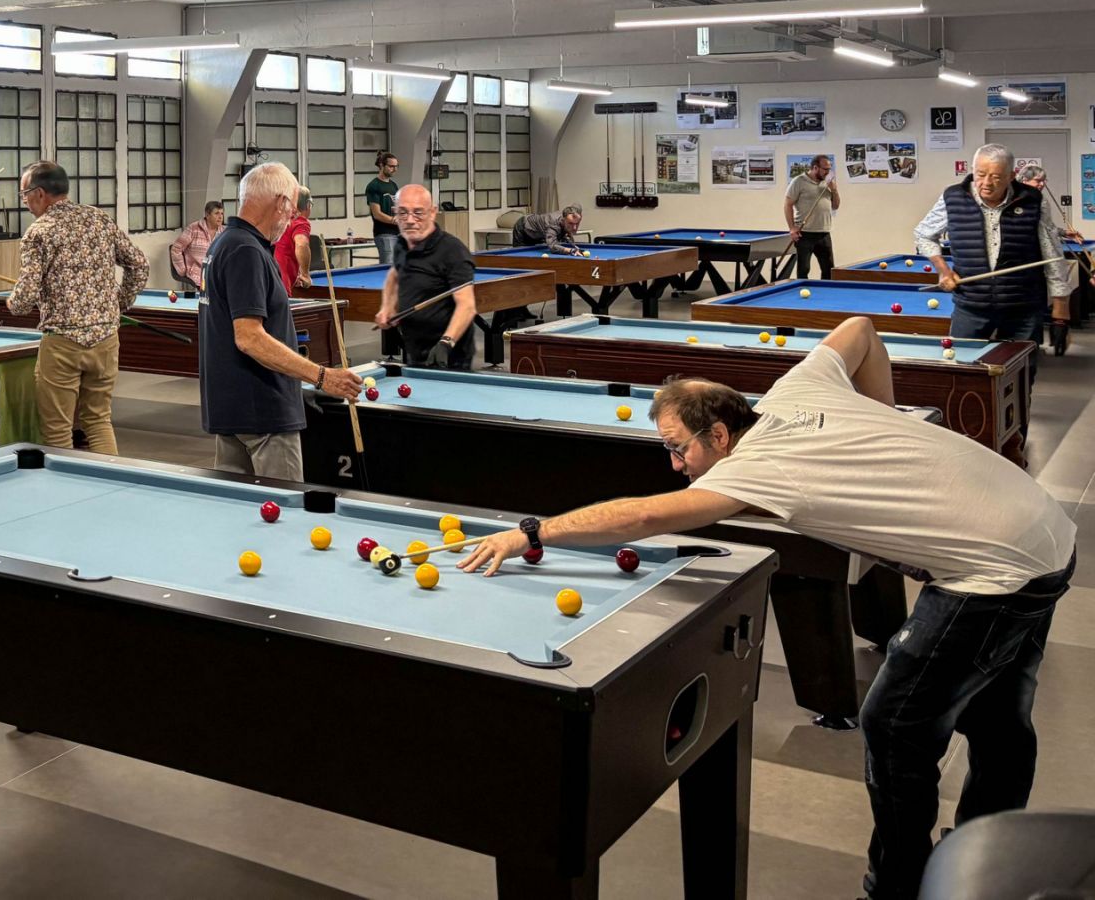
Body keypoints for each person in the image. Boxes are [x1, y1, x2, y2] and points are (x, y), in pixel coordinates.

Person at [457, 315, 1076, 900]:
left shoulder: (751, 470)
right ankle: (989, 854)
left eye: (677, 448)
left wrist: (530, 533)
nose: (674, 464)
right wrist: (883, 426)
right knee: (999, 721)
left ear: (719, 435)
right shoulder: (795, 388)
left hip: (996, 575)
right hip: (1042, 527)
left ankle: (900, 885)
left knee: (894, 725)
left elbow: (642, 517)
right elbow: (861, 332)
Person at [199, 161, 364, 480]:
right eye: (292, 209)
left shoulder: (224, 242)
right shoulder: (246, 250)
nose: (292, 218)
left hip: (232, 407)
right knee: (284, 505)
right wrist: (321, 376)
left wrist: (296, 385)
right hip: (264, 415)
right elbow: (249, 338)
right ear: (281, 202)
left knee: (239, 505)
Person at [4, 160, 147, 455]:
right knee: (98, 421)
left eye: (24, 195)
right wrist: (118, 304)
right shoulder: (98, 219)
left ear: (39, 193)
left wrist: (12, 300)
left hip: (62, 343)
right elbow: (139, 265)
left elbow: (23, 300)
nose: (25, 202)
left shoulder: (39, 232)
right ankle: (110, 481)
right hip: (105, 339)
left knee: (57, 430)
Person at [913, 145, 1070, 346]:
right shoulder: (953, 197)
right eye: (980, 174)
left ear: (1011, 176)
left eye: (996, 177)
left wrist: (1060, 309)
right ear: (973, 170)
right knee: (965, 363)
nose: (986, 183)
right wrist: (943, 270)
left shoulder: (1033, 200)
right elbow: (923, 234)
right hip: (971, 306)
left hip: (1023, 307)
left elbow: (1052, 252)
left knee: (1022, 365)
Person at [375, 183, 478, 369]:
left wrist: (446, 342)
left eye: (418, 213)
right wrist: (387, 307)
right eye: (403, 213)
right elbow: (394, 275)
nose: (410, 220)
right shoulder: (402, 244)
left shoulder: (453, 250)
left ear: (432, 212)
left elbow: (467, 306)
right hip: (414, 349)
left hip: (450, 355)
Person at [785, 154, 841, 279]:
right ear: (815, 167)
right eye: (825, 169)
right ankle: (802, 290)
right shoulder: (799, 181)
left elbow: (835, 206)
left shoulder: (828, 183)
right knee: (804, 269)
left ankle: (826, 291)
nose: (828, 172)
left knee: (829, 269)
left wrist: (834, 190)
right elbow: (787, 205)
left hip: (824, 233)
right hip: (805, 233)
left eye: (829, 169)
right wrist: (792, 228)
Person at [167, 200, 224, 291]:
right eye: (216, 213)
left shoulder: (224, 232)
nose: (220, 217)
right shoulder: (193, 228)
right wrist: (182, 270)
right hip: (198, 273)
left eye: (222, 213)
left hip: (217, 274)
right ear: (207, 215)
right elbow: (176, 248)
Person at [274, 188, 315, 293]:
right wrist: (305, 275)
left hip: (266, 276)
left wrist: (294, 275)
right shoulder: (300, 222)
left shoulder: (278, 219)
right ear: (308, 205)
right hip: (281, 283)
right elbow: (301, 244)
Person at [364, 152, 402, 265]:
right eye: (391, 166)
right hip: (384, 233)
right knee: (387, 266)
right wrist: (394, 220)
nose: (395, 169)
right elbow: (377, 214)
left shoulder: (394, 185)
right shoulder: (374, 186)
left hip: (398, 233)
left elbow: (397, 207)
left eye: (396, 166)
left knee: (399, 266)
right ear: (381, 165)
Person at [510, 203, 584, 254]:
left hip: (538, 232)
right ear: (563, 220)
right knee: (520, 256)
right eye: (571, 223)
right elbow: (552, 246)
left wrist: (574, 246)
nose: (574, 227)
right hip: (523, 228)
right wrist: (571, 251)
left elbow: (577, 206)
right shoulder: (552, 224)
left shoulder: (568, 216)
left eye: (576, 223)